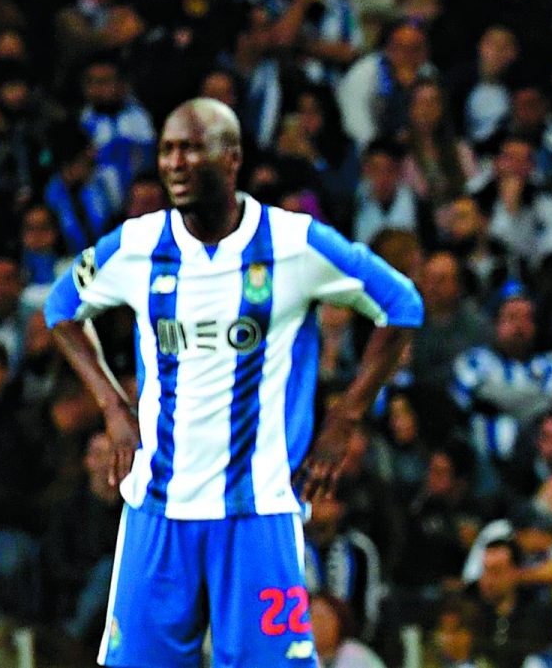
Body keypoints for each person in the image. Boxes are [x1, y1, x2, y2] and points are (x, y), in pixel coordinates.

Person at [42, 98, 423, 667]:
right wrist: (113, 408)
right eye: (168, 149)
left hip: (258, 513)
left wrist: (343, 420)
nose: (175, 162)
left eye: (192, 148)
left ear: (233, 159)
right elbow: (60, 307)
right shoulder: (136, 245)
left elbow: (402, 304)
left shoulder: (296, 243)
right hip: (157, 510)